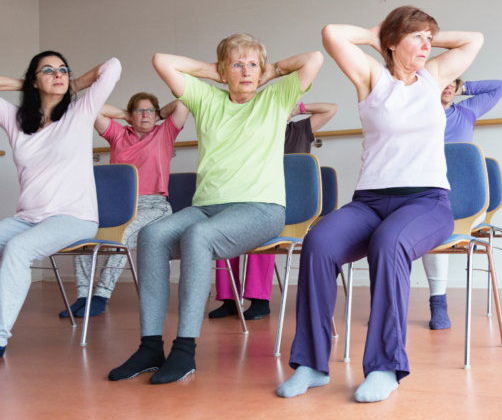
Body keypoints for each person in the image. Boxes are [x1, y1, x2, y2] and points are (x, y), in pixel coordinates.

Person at [278, 6, 483, 402]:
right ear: (392, 42)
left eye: (429, 38)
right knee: (319, 243)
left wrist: (425, 35)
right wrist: (379, 35)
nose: (426, 44)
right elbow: (332, 31)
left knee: (389, 245)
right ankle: (311, 364)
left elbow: (474, 39)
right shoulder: (371, 77)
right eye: (416, 37)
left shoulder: (434, 76)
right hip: (370, 201)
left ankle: (386, 368)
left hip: (427, 202)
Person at [109, 34, 322, 385]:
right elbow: (162, 58)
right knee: (151, 234)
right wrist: (213, 71)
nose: (246, 71)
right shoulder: (207, 98)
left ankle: (184, 350)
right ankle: (150, 347)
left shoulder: (275, 98)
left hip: (261, 208)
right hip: (207, 207)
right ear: (224, 70)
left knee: (198, 237)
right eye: (237, 64)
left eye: (252, 64)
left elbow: (313, 58)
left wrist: (272, 72)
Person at [0, 52, 121, 356]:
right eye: (49, 71)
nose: (59, 75)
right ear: (34, 79)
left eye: (64, 70)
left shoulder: (80, 111)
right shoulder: (16, 120)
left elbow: (113, 66)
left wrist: (72, 84)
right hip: (29, 218)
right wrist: (25, 84)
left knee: (18, 249)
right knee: (15, 242)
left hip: (74, 217)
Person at [58, 92, 189, 318]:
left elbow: (183, 103)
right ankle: (83, 295)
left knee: (123, 233)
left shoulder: (164, 132)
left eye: (150, 110)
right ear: (131, 115)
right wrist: (124, 115)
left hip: (154, 206)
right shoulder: (118, 135)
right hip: (117, 205)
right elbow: (91, 109)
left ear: (157, 114)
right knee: (82, 230)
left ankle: (101, 296)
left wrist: (158, 115)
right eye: (139, 110)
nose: (145, 115)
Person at [209, 101, 337, 321]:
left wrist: (295, 109)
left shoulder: (299, 130)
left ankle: (260, 301)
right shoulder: (250, 136)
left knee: (262, 225)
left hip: (288, 208)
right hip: (251, 201)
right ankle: (229, 300)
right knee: (222, 230)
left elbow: (331, 108)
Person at [422, 77, 502, 329]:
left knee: (435, 224)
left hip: (467, 205)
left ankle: (439, 304)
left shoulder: (467, 111)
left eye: (453, 81)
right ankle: (387, 302)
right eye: (442, 80)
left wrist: (461, 85)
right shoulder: (419, 115)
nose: (448, 85)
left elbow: (499, 86)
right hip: (429, 200)